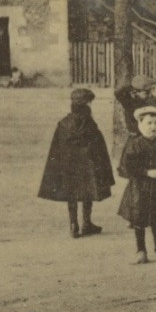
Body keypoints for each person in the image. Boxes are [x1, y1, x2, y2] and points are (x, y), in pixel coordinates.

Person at [37, 87, 115, 237]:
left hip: (69, 166)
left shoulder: (63, 123)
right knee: (88, 191)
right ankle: (87, 223)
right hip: (88, 166)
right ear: (86, 104)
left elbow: (56, 148)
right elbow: (98, 146)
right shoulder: (90, 124)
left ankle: (73, 224)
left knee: (71, 192)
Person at [116, 105, 156, 264]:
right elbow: (127, 167)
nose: (153, 127)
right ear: (140, 124)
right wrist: (146, 172)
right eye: (149, 123)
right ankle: (141, 250)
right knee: (139, 217)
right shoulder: (136, 143)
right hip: (140, 186)